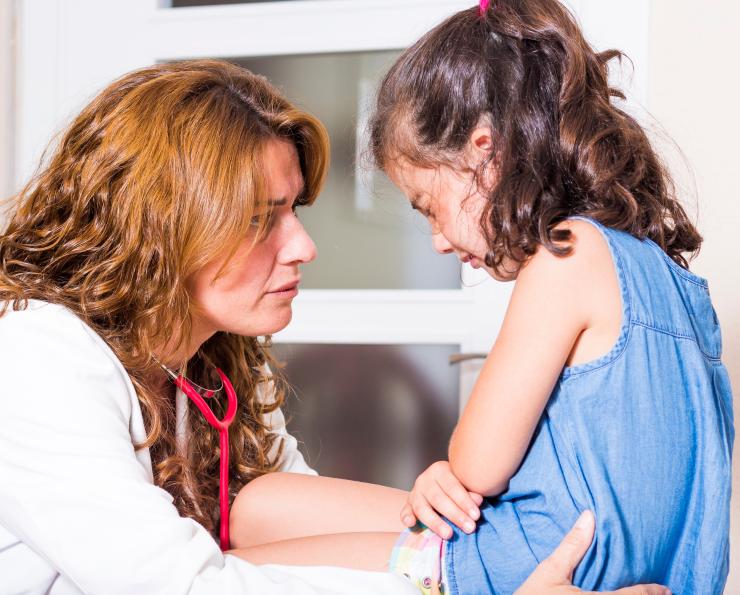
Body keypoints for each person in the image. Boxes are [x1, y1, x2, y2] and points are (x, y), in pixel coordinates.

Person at [0, 58, 664, 595]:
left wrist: (449, 523)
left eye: (294, 210)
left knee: (444, 533)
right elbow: (181, 585)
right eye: (263, 218)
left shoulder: (206, 364)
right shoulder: (36, 358)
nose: (302, 246)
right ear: (162, 230)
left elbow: (293, 540)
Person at [226, 0, 733, 593]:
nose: (438, 241)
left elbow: (478, 466)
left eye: (429, 207)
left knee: (238, 570)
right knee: (256, 507)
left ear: (485, 152)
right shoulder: (674, 285)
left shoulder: (568, 254)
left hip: (509, 567)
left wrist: (449, 468)